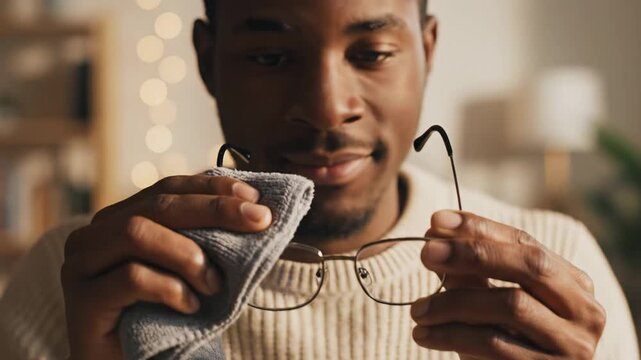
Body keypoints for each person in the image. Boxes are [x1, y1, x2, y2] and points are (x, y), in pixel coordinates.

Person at [0, 0, 638, 359]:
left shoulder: (557, 270)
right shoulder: (81, 279)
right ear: (206, 60)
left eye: (372, 53)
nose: (329, 107)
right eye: (271, 57)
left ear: (429, 51)